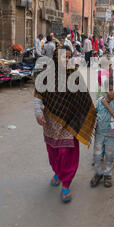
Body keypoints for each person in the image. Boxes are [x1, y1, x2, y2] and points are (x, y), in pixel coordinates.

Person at [34, 46, 96, 202]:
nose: (67, 60)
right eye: (63, 57)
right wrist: (38, 112)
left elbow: (84, 99)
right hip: (51, 122)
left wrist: (89, 115)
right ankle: (58, 172)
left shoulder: (74, 75)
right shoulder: (46, 75)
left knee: (67, 153)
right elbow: (38, 95)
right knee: (53, 151)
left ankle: (66, 183)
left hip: (70, 123)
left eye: (69, 57)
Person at [91, 77, 114, 188]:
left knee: (109, 156)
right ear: (105, 90)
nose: (113, 92)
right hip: (99, 133)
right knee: (97, 155)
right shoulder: (99, 101)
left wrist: (107, 105)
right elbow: (92, 112)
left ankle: (108, 175)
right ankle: (98, 173)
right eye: (110, 90)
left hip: (111, 135)